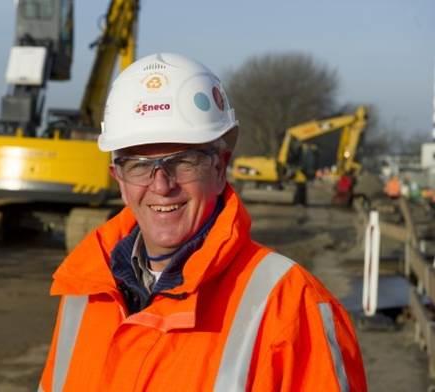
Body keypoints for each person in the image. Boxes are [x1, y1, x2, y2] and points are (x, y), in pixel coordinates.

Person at [38, 53, 366, 391]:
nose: (162, 185)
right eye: (138, 165)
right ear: (118, 179)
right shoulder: (85, 292)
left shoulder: (292, 305)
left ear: (220, 168)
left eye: (184, 162)